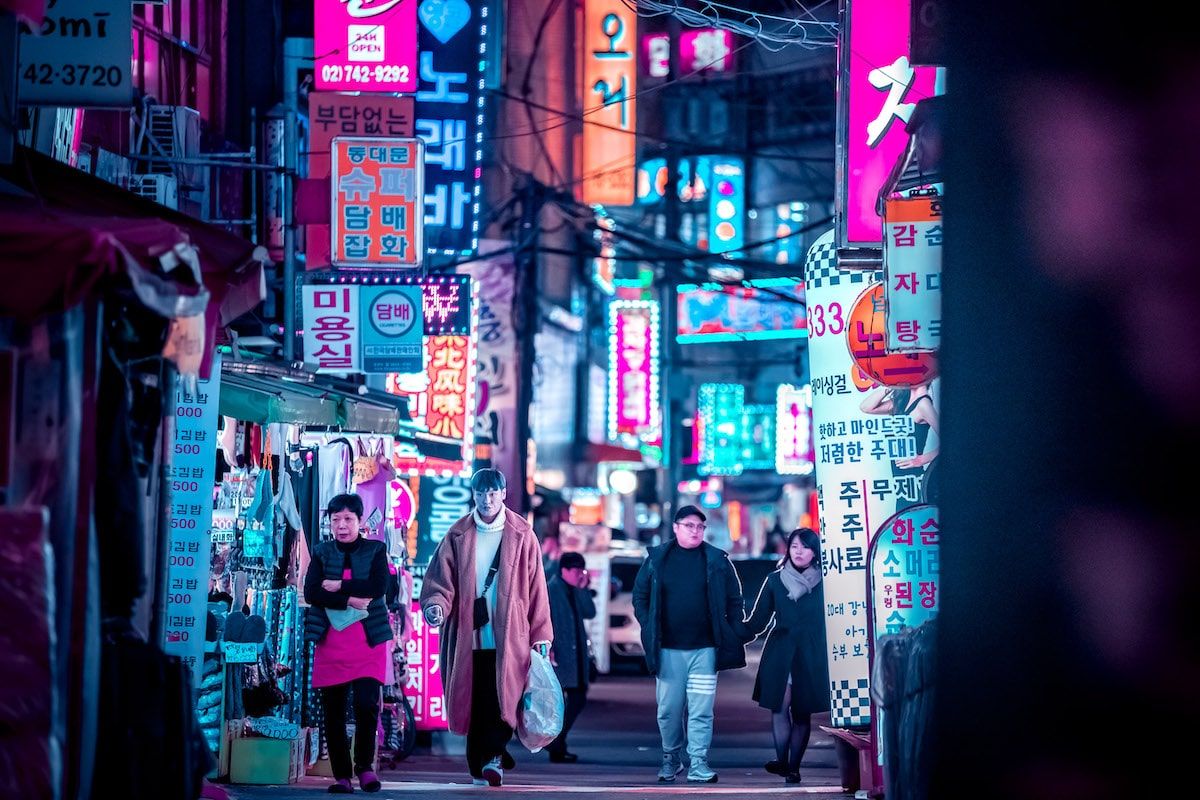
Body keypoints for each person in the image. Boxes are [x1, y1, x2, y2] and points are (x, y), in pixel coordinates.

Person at [419, 469, 553, 787]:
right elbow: (440, 579)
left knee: (503, 696)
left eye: (494, 493)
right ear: (473, 495)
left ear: (504, 494)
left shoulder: (523, 534)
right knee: (474, 697)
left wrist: (542, 634)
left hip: (512, 633)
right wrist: (436, 606)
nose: (487, 499)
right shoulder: (457, 534)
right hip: (468, 633)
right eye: (481, 493)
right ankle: (479, 763)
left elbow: (537, 588)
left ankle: (494, 756)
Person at [632, 505, 749, 784]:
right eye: (689, 525)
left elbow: (735, 600)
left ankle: (698, 762)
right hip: (668, 649)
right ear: (675, 527)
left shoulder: (717, 560)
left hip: (705, 650)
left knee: (701, 710)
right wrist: (648, 625)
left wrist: (732, 629)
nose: (695, 531)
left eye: (699, 527)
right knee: (668, 710)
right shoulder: (657, 559)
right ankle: (670, 758)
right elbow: (640, 596)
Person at [303, 494, 393, 794]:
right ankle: (342, 775)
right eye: (336, 520)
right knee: (333, 709)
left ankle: (365, 768)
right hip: (331, 640)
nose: (341, 526)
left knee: (366, 704)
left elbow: (379, 587)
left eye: (348, 519)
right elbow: (313, 592)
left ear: (360, 521)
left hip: (368, 640)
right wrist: (351, 598)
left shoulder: (376, 550)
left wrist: (339, 585)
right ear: (330, 523)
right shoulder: (321, 551)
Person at [742, 528, 829, 784]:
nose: (799, 551)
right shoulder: (774, 580)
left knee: (802, 712)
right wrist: (732, 632)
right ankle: (782, 761)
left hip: (811, 653)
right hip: (780, 651)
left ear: (815, 552)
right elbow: (758, 620)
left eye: (805, 546)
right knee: (780, 707)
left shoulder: (827, 581)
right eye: (794, 546)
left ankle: (793, 767)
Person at [545, 551, 597, 763]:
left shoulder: (576, 590)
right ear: (564, 570)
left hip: (576, 654)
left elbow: (589, 612)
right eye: (576, 570)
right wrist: (548, 646)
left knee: (577, 696)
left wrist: (583, 589)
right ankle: (555, 743)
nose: (579, 574)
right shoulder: (551, 589)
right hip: (558, 652)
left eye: (581, 570)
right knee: (563, 698)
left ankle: (557, 742)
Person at [860, 380, 941, 503]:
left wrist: (921, 460)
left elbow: (949, 440)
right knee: (904, 519)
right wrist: (890, 386)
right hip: (901, 482)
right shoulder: (901, 402)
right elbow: (865, 407)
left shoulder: (923, 404)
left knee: (912, 518)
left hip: (913, 480)